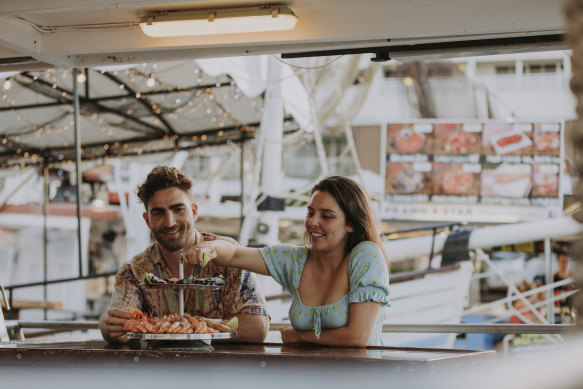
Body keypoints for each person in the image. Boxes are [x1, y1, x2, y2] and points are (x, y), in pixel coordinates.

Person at [185, 176, 390, 348]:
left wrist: (301, 337)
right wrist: (210, 247)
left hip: (363, 377)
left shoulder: (366, 255)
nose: (313, 222)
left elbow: (358, 337)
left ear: (351, 224)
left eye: (326, 216)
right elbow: (234, 255)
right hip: (309, 376)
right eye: (310, 213)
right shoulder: (295, 260)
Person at [99, 166, 270, 343]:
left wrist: (191, 326)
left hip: (220, 367)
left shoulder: (227, 255)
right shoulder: (135, 270)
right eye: (158, 213)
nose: (170, 222)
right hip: (159, 367)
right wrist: (109, 325)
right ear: (147, 220)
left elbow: (257, 327)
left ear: (194, 212)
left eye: (178, 209)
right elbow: (115, 321)